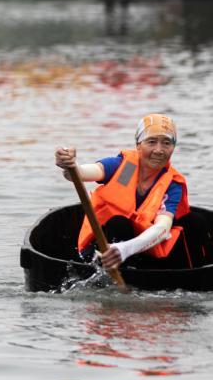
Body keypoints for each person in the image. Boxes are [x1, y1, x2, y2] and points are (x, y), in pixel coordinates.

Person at [54, 114, 207, 271]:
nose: (159, 150)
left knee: (195, 222)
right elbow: (80, 174)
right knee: (120, 223)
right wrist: (69, 166)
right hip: (102, 249)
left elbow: (163, 227)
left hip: (137, 248)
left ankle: (194, 278)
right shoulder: (125, 169)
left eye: (167, 143)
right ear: (138, 144)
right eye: (152, 142)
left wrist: (125, 249)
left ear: (173, 147)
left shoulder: (172, 183)